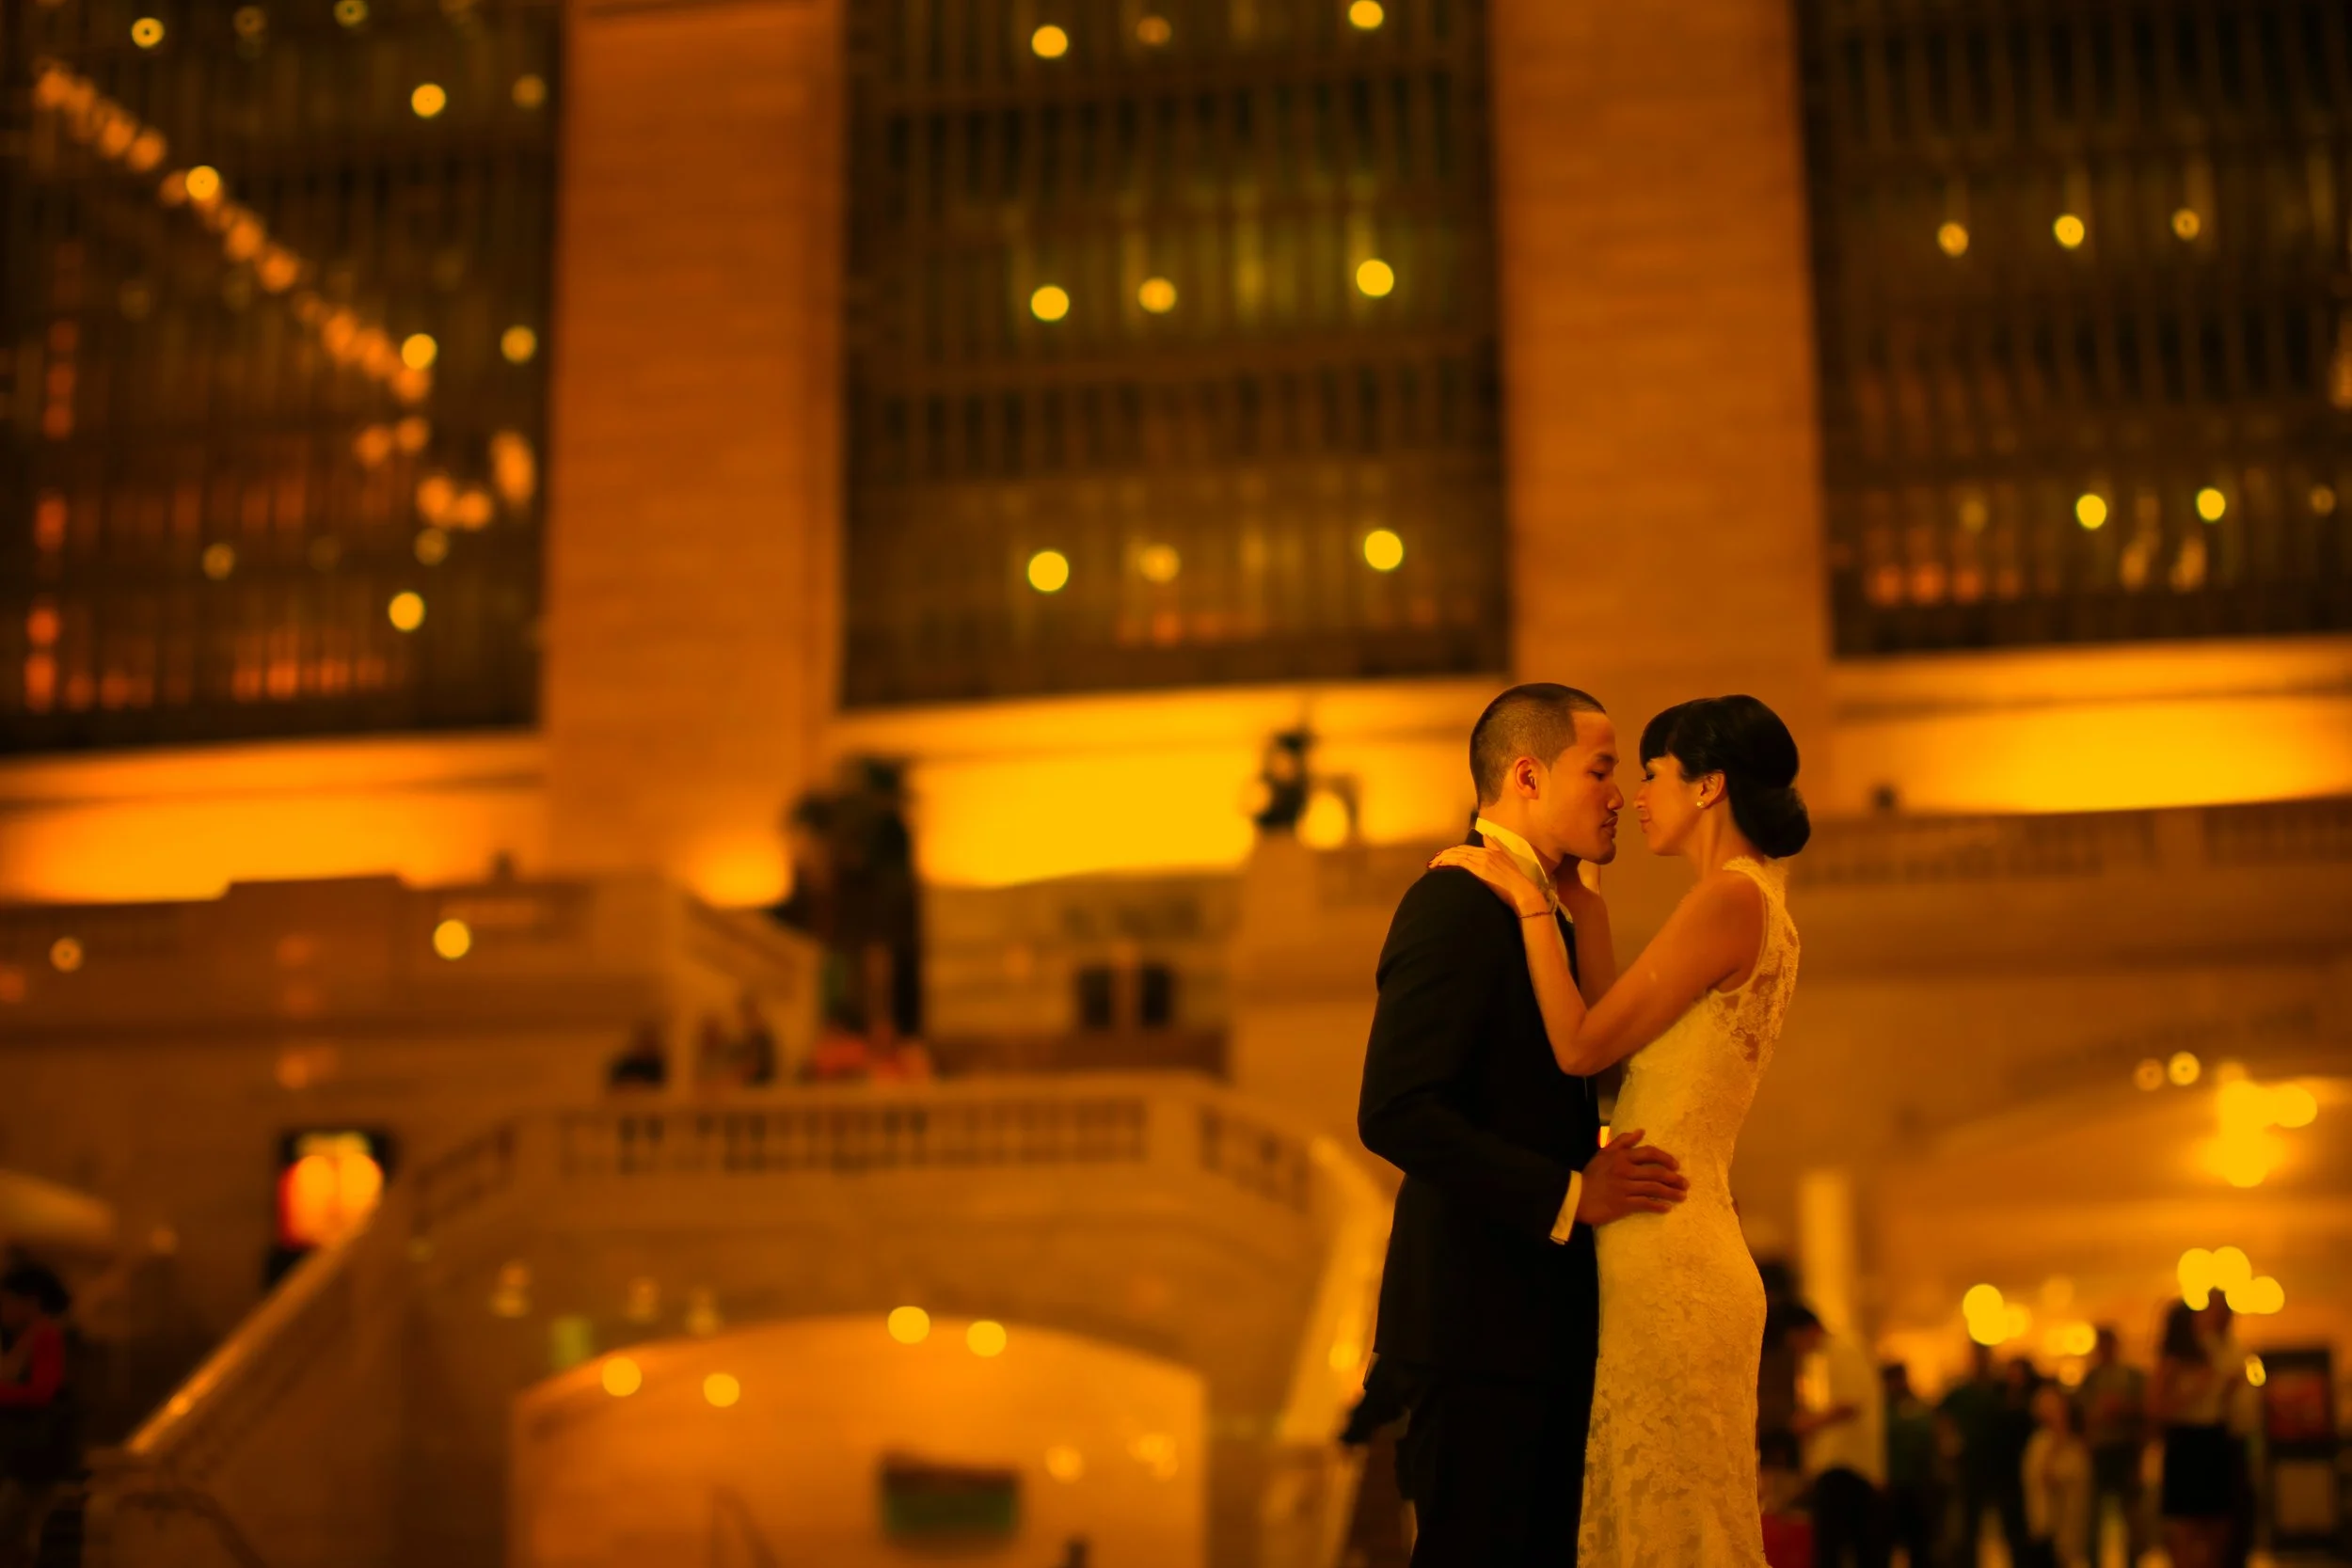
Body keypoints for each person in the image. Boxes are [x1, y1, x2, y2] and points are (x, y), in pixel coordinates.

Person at [1424, 690, 1811, 1565]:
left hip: (1668, 1243)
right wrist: (1582, 904)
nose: (1634, 796)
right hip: (1680, 1227)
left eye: (1652, 774)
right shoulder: (1751, 902)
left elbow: (1579, 1045)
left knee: (1668, 1524)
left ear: (1708, 786)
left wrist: (1527, 904)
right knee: (1666, 1516)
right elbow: (1618, 1048)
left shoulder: (1726, 901)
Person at [1357, 684, 1692, 1566]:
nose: (1619, 793)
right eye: (1602, 769)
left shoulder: (1564, 905)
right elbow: (1394, 1108)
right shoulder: (1454, 904)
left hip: (1542, 1327)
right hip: (1477, 1332)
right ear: (1529, 775)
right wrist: (1571, 1193)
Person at [1784, 1306, 1887, 1568]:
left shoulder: (1842, 1349)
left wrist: (1808, 1423)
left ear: (1809, 1330)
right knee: (1852, 1546)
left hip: (1846, 1465)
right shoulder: (1824, 1357)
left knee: (1838, 1548)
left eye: (1796, 1340)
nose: (1796, 1348)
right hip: (1839, 1465)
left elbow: (1850, 1404)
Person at [0, 1264, 73, 1565]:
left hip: (36, 1457)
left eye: (7, 1301)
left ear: (30, 1301)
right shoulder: (27, 1338)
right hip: (25, 1456)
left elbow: (43, 1391)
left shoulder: (46, 1337)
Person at [2153, 1299, 2232, 1568]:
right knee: (2184, 1522)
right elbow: (2155, 1408)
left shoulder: (2212, 1351)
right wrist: (2193, 1391)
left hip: (2213, 1438)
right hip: (2186, 1442)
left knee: (2217, 1522)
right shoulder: (2172, 1361)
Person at [1938, 1343, 2020, 1565]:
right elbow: (1942, 1419)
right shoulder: (1961, 1393)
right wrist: (1950, 1446)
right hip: (1970, 1468)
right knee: (1969, 1527)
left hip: (2000, 1469)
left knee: (2009, 1526)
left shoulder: (2000, 1390)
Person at [2074, 1326, 2148, 1566]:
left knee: (2132, 1516)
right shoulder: (2091, 1379)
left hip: (2125, 1450)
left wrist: (2122, 1409)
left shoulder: (2131, 1376)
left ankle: (2132, 1560)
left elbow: (2146, 1412)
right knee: (2093, 1518)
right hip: (2100, 1452)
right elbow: (2080, 1416)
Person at [2021, 1385, 2091, 1568]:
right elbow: (2039, 1481)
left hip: (2066, 1530)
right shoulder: (2039, 1444)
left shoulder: (2074, 1448)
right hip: (2045, 1529)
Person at [1879, 1363, 1939, 1568]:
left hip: (1916, 1486)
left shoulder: (1917, 1407)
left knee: (1919, 1545)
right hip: (1890, 1486)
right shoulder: (1881, 1409)